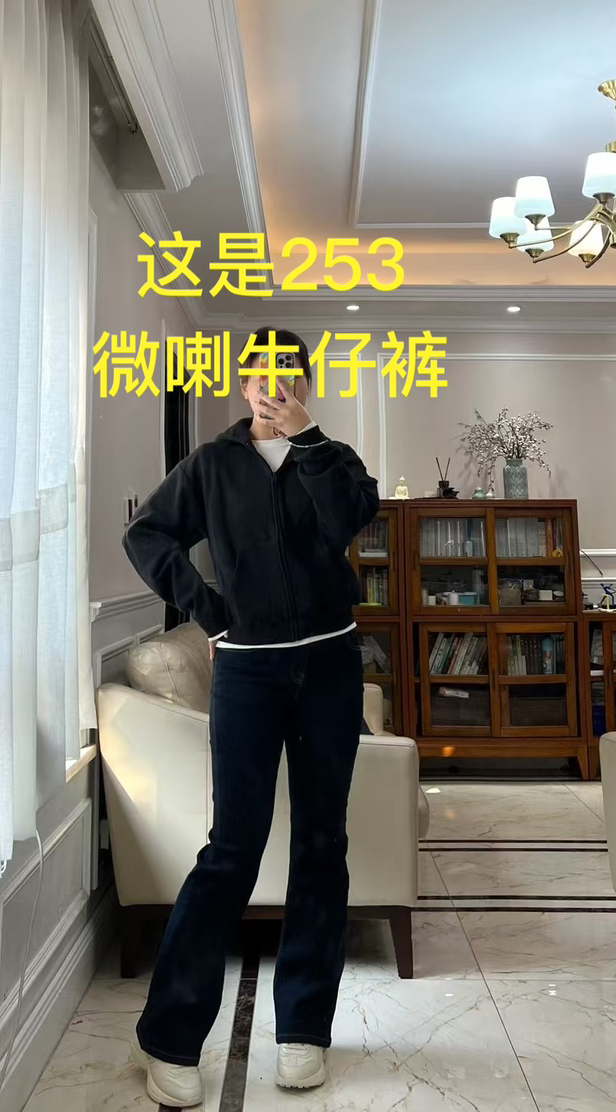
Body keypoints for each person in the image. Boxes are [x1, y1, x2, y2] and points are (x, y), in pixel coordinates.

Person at [122, 326, 380, 1107]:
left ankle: (303, 1028)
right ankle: (170, 1038)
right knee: (231, 847)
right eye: (260, 374)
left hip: (330, 664)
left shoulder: (331, 456)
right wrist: (207, 609)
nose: (273, 385)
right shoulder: (210, 464)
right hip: (247, 671)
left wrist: (309, 440)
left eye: (287, 374)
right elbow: (146, 534)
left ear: (304, 384)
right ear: (243, 384)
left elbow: (350, 519)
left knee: (322, 841)